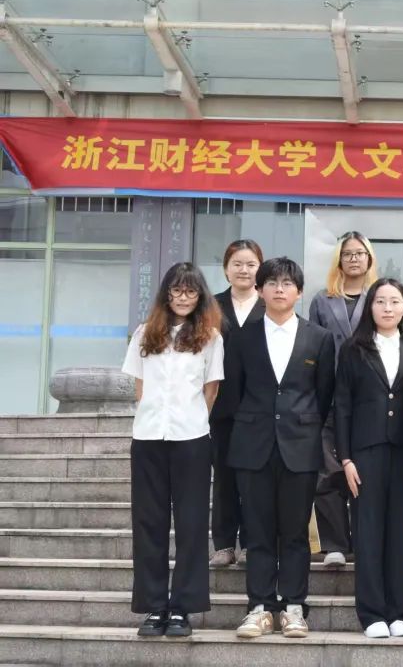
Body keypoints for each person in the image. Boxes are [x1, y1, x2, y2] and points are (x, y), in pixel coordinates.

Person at [228, 257, 336, 640]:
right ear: (259, 290)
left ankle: (293, 607)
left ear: (299, 291)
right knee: (257, 531)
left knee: (294, 533)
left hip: (300, 446)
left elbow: (324, 394)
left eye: (287, 283)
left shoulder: (319, 338)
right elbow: (233, 392)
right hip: (252, 445)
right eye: (271, 282)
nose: (279, 289)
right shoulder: (241, 336)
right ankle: (259, 608)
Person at [122, 262, 224, 638]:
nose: (183, 297)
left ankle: (182, 607)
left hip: (191, 438)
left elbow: (211, 389)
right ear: (166, 294)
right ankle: (154, 607)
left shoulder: (211, 337)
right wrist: (153, 417)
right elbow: (139, 386)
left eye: (190, 291)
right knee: (149, 523)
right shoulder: (144, 333)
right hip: (148, 437)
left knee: (191, 523)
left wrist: (191, 420)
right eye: (176, 290)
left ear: (200, 296)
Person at [335, 278, 403, 639]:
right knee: (368, 533)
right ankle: (371, 613)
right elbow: (342, 406)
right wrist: (345, 459)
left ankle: (397, 612)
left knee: (401, 534)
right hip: (365, 453)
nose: (388, 308)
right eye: (380, 301)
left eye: (395, 301)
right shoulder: (353, 349)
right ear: (370, 306)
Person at [308, 231, 379, 568]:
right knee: (328, 470)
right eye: (347, 253)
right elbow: (314, 346)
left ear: (369, 258)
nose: (353, 259)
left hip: (369, 395)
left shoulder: (380, 296)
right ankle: (335, 543)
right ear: (338, 259)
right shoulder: (322, 300)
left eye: (359, 253)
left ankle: (364, 538)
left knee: (363, 470)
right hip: (330, 393)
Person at [209, 239, 264, 568]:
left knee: (255, 480)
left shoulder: (270, 305)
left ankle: (252, 543)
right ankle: (224, 543)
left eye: (251, 264)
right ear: (226, 269)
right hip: (223, 407)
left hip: (261, 408)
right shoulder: (211, 306)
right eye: (237, 264)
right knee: (225, 476)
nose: (244, 270)